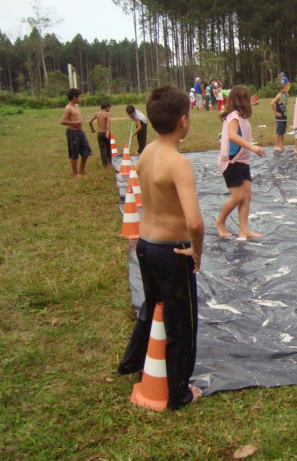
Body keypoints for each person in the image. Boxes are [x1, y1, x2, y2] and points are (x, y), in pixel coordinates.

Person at [117, 85, 204, 410]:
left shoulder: (147, 153)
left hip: (146, 245)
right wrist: (196, 251)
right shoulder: (178, 163)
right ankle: (179, 391)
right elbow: (194, 222)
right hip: (172, 251)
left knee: (152, 307)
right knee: (181, 321)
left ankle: (132, 361)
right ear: (183, 121)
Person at [215, 85, 265, 240]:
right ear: (242, 99)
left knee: (247, 194)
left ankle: (244, 230)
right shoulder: (234, 116)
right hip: (231, 163)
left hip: (242, 161)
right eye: (247, 98)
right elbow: (231, 135)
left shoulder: (241, 117)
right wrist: (252, 147)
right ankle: (220, 223)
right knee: (237, 196)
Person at [60, 88, 92, 177]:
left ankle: (82, 169)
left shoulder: (77, 106)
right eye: (79, 96)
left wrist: (81, 128)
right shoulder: (68, 108)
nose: (80, 98)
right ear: (74, 97)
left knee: (86, 150)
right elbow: (62, 121)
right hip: (72, 133)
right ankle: (75, 173)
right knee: (74, 153)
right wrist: (75, 123)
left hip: (80, 131)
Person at [88, 101, 112, 168]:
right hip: (105, 132)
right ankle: (109, 161)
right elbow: (108, 122)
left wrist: (92, 129)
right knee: (108, 147)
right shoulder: (107, 114)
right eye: (109, 107)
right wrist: (107, 130)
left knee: (102, 149)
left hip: (99, 133)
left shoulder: (97, 114)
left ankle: (105, 164)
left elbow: (90, 122)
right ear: (107, 107)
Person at [270, 83, 290, 151]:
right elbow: (272, 103)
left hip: (284, 115)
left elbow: (287, 103)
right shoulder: (279, 96)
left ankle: (281, 144)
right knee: (278, 132)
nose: (287, 89)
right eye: (285, 88)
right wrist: (276, 112)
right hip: (280, 117)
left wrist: (286, 95)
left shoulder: (284, 95)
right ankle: (276, 145)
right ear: (281, 89)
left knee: (283, 131)